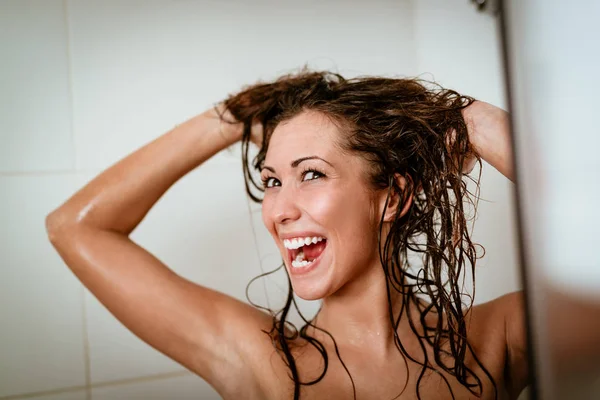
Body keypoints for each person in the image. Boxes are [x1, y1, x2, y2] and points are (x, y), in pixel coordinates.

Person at [46, 70, 526, 399]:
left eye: (311, 174)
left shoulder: (495, 341)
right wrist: (232, 116)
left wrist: (479, 123)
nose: (277, 210)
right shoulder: (262, 362)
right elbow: (74, 228)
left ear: (393, 197)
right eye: (272, 180)